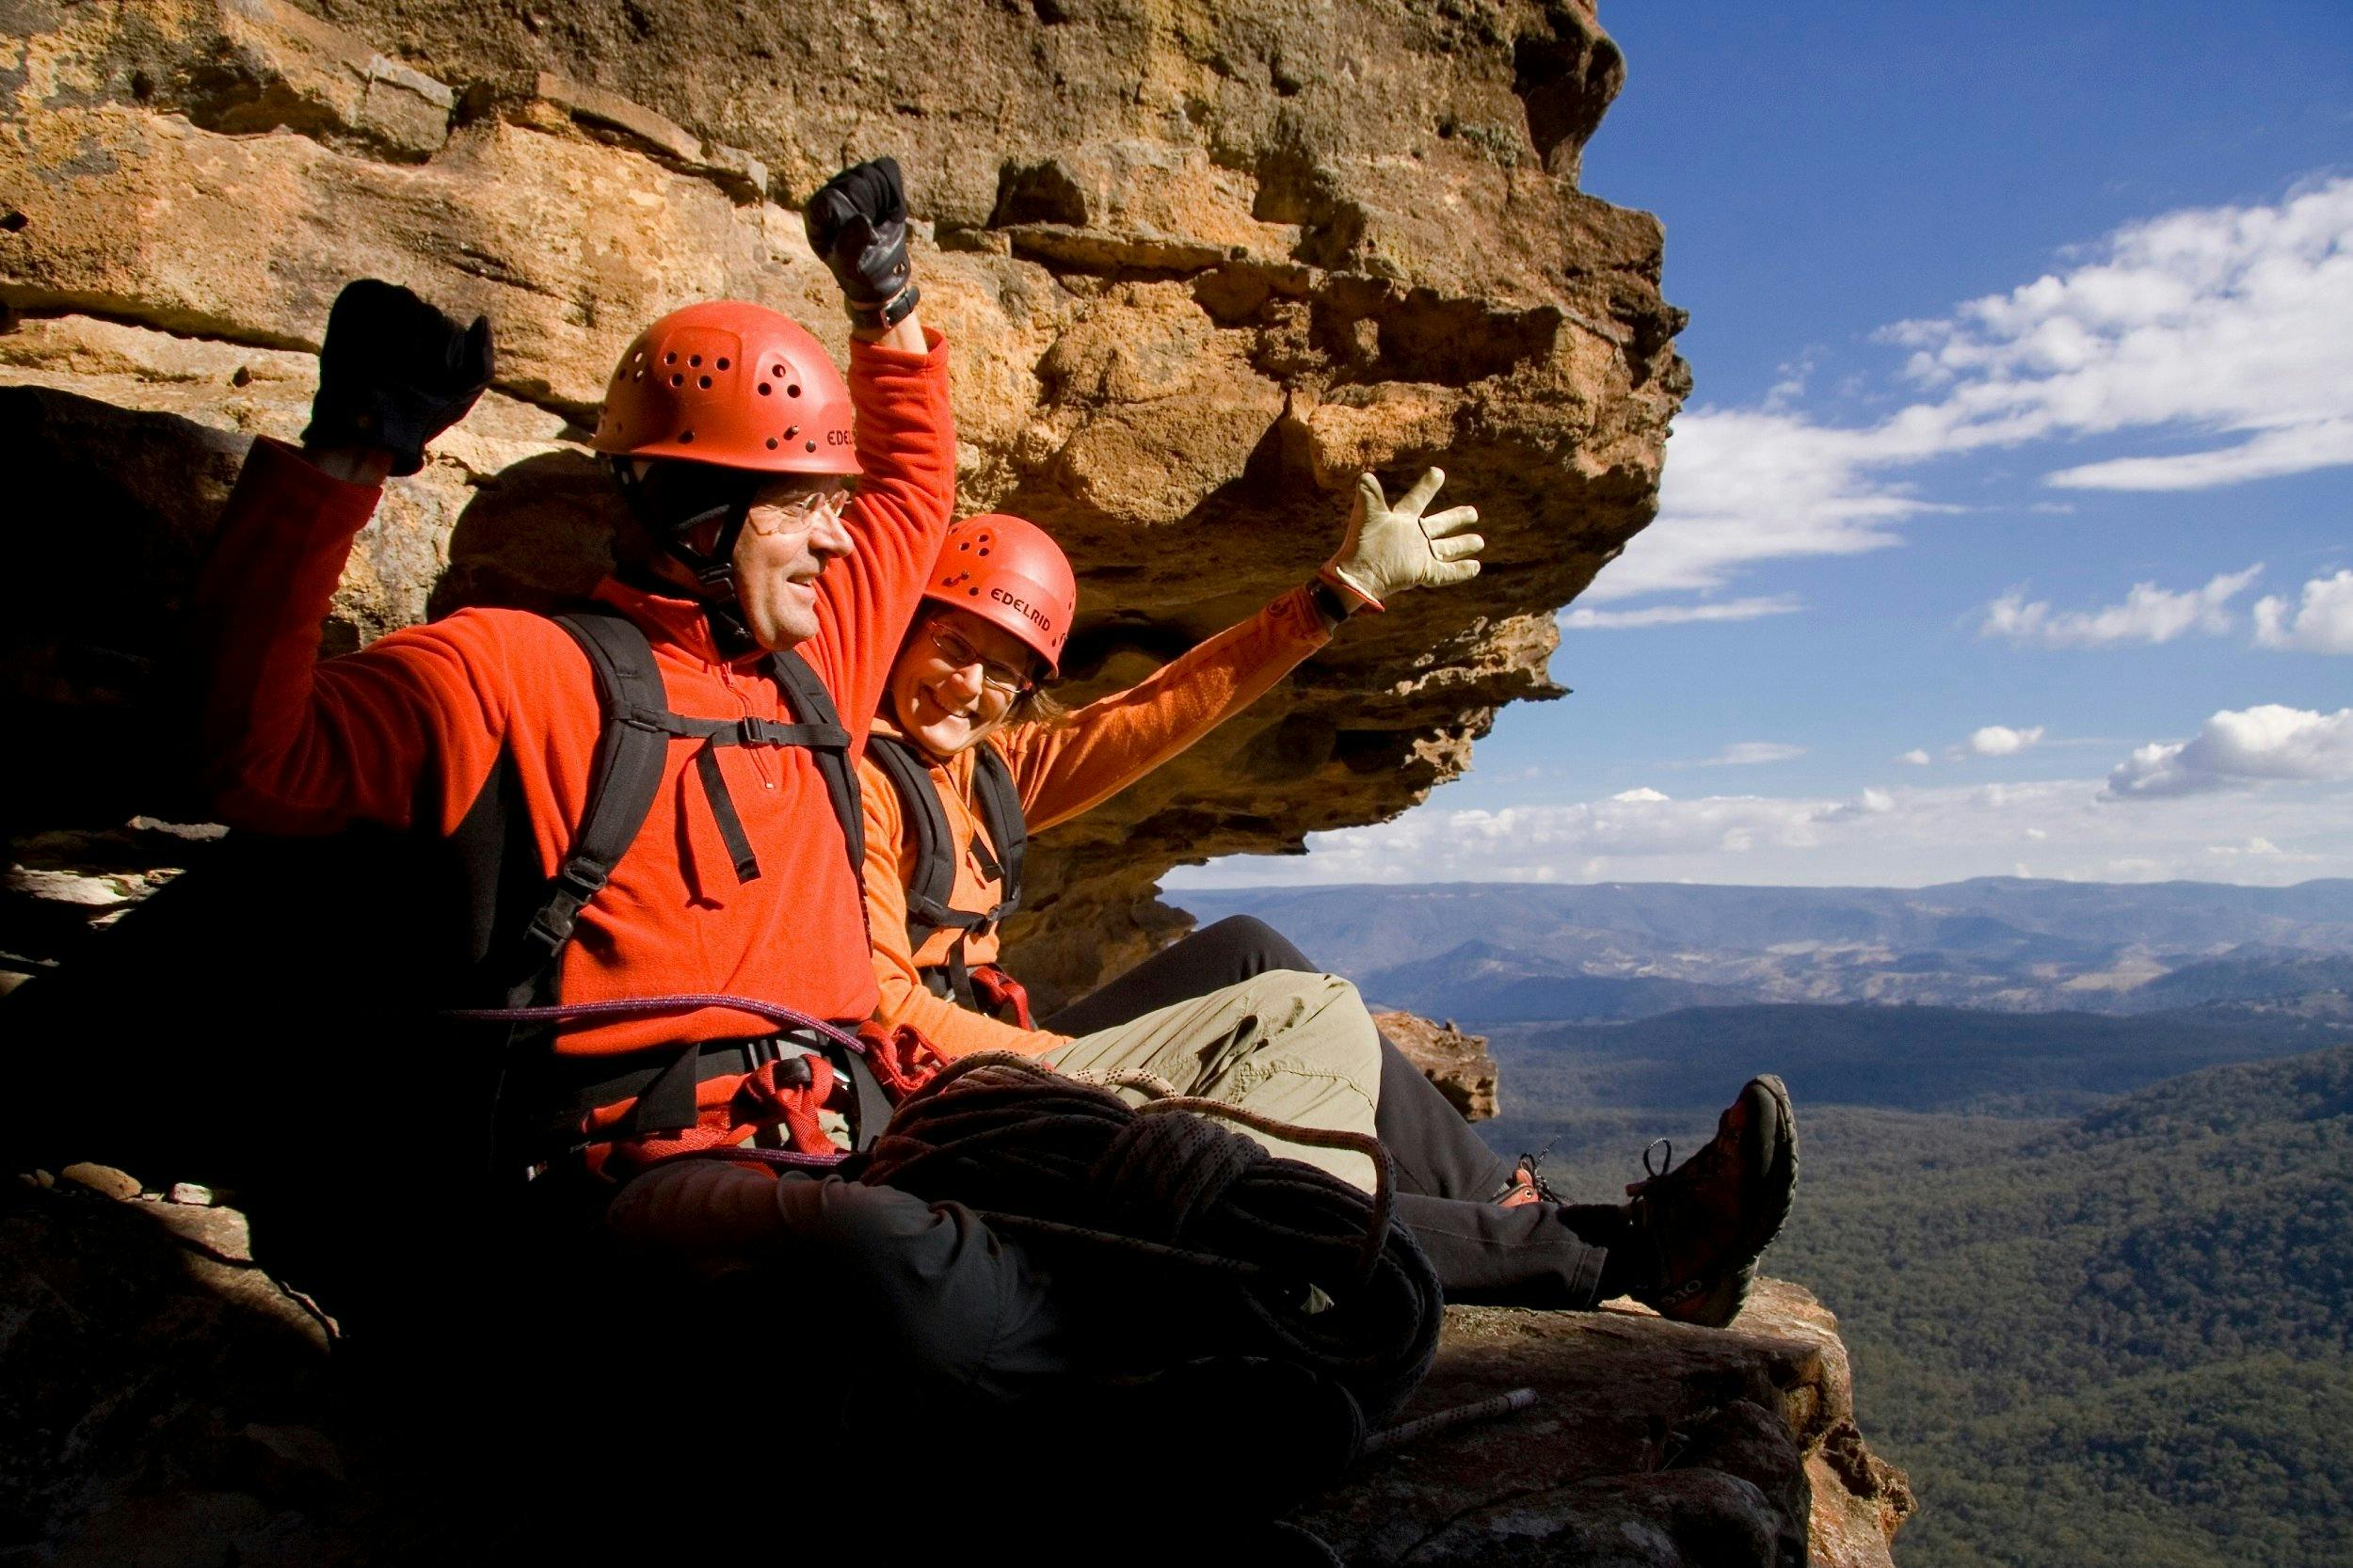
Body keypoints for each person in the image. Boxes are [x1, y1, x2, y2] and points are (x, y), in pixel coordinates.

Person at [855, 481, 1800, 1319]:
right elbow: (879, 1005)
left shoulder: (981, 769)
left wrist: (1330, 597)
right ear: (903, 623)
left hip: (990, 1058)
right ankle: (1622, 1255)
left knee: (1250, 950)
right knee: (1220, 1123)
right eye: (950, 643)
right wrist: (1087, 1067)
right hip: (927, 1106)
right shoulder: (852, 781)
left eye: (1005, 669)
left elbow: (1162, 706)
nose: (969, 685)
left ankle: (1501, 1197)